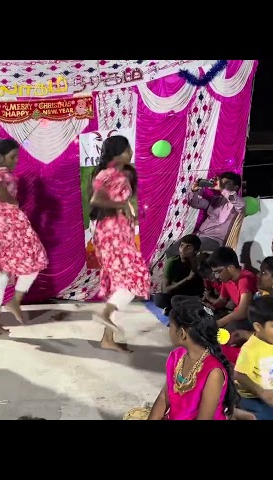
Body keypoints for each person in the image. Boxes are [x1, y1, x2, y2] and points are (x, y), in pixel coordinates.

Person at [0, 139, 48, 337]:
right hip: (5, 225)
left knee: (0, 274)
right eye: (13, 157)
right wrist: (13, 201)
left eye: (17, 157)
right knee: (35, 258)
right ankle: (15, 300)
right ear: (1, 157)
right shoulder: (0, 173)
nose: (15, 161)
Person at [89, 135, 150, 352]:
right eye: (127, 149)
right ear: (118, 152)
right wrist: (122, 204)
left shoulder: (114, 174)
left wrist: (125, 208)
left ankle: (107, 338)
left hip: (115, 233)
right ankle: (106, 313)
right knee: (137, 276)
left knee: (119, 284)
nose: (131, 152)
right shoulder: (111, 174)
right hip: (113, 234)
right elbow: (96, 200)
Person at [148, 299, 237, 420]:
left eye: (170, 326)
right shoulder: (176, 356)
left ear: (181, 333)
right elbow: (164, 396)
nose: (169, 330)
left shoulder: (213, 372)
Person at [167, 172, 245, 257]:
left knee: (189, 252)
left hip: (214, 240)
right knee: (172, 251)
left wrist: (222, 189)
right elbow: (195, 203)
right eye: (221, 183)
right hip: (199, 236)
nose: (222, 185)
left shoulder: (237, 203)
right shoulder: (216, 199)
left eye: (226, 183)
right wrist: (195, 191)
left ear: (236, 187)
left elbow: (240, 204)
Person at [204, 247, 256, 331]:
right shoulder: (227, 279)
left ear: (231, 268)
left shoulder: (245, 280)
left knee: (228, 328)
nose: (216, 276)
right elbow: (222, 300)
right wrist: (209, 307)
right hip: (238, 315)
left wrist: (219, 323)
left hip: (251, 318)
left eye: (218, 272)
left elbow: (243, 312)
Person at [154, 234, 204, 315]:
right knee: (159, 298)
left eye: (188, 247)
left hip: (194, 296)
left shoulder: (199, 262)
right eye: (181, 246)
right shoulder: (172, 262)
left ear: (195, 251)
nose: (183, 250)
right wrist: (187, 279)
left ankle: (176, 310)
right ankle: (179, 310)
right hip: (176, 294)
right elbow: (166, 290)